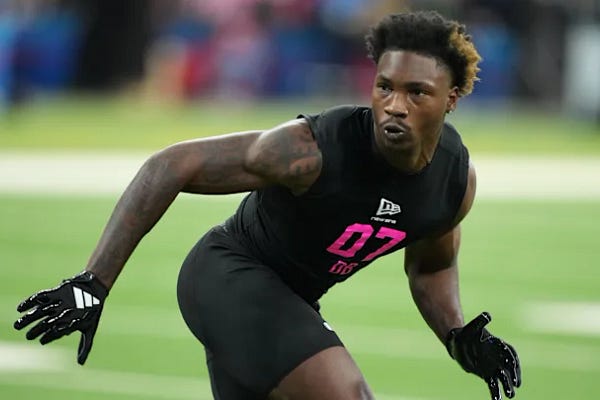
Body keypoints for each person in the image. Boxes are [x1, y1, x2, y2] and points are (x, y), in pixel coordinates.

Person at [14, 10, 521, 400]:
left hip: (291, 301)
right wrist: (93, 282)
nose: (394, 105)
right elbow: (170, 164)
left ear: (452, 98)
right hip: (229, 276)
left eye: (417, 93)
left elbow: (431, 267)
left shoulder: (453, 181)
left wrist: (457, 335)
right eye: (384, 87)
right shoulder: (312, 149)